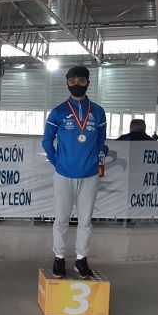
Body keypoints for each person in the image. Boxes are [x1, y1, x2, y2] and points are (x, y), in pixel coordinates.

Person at [42, 66, 108, 279]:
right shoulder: (58, 112)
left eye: (81, 81)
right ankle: (59, 258)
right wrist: (58, 163)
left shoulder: (98, 112)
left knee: (85, 221)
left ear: (88, 83)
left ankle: (81, 259)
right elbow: (46, 142)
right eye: (72, 81)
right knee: (61, 219)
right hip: (63, 175)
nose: (76, 84)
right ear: (67, 83)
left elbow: (101, 142)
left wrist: (96, 158)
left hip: (89, 175)